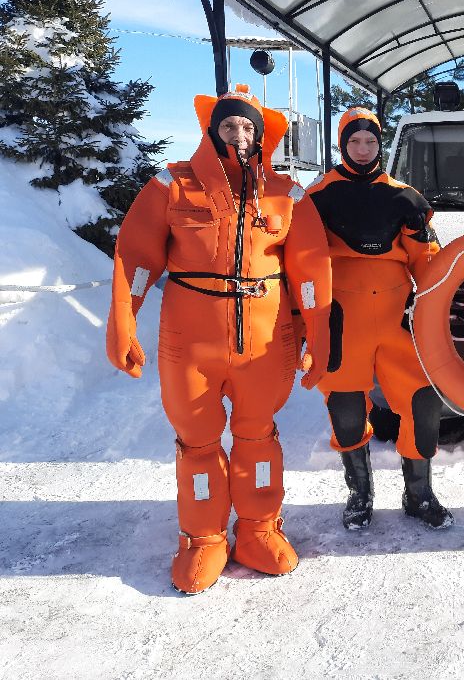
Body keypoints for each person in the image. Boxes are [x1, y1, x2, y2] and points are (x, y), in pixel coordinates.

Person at [106, 85, 332, 593]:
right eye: (230, 125)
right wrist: (124, 319)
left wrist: (318, 334)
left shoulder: (287, 195)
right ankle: (203, 538)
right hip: (190, 343)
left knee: (256, 437)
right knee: (198, 441)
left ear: (262, 134)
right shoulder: (171, 186)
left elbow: (312, 272)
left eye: (249, 126)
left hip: (265, 342)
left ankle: (258, 530)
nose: (240, 134)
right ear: (212, 131)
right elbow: (137, 258)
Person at [305, 107, 452, 531]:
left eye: (371, 141)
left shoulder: (404, 197)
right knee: (347, 408)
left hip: (396, 316)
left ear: (380, 144)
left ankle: (419, 494)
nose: (363, 149)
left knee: (423, 403)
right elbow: (301, 260)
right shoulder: (318, 196)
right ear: (342, 144)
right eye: (355, 141)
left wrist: (435, 305)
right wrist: (304, 321)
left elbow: (427, 261)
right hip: (341, 317)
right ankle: (359, 493)